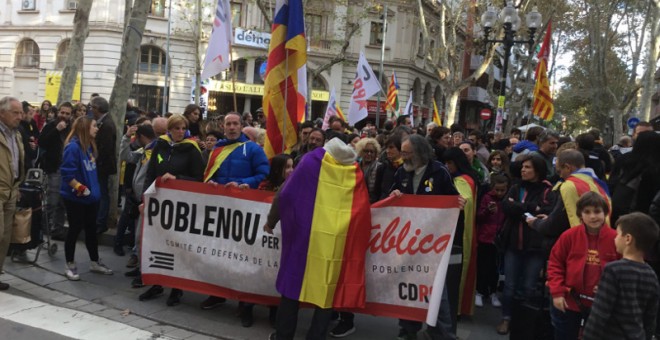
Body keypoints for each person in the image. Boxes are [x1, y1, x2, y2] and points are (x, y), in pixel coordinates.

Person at [264, 138, 371, 340]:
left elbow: (285, 195)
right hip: (335, 241)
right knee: (327, 290)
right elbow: (361, 207)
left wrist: (272, 221)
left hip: (304, 235)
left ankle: (283, 336)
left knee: (292, 286)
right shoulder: (353, 169)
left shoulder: (310, 161)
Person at [391, 135, 463, 340]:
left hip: (433, 241)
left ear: (420, 153)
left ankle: (442, 333)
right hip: (407, 240)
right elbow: (389, 196)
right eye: (402, 152)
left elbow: (453, 198)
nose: (402, 157)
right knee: (408, 285)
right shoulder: (400, 172)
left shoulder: (439, 172)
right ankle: (408, 328)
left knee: (436, 288)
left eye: (406, 153)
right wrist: (394, 194)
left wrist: (458, 203)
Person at [201, 111, 269, 327]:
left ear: (241, 126)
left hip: (244, 210)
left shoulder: (253, 149)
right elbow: (208, 175)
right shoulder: (217, 149)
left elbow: (264, 174)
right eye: (228, 123)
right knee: (218, 253)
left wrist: (244, 183)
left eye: (235, 123)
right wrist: (209, 183)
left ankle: (246, 304)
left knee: (244, 257)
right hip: (220, 210)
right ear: (223, 126)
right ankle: (218, 294)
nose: (231, 127)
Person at [139, 114, 204, 306]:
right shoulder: (160, 145)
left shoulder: (192, 149)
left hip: (181, 207)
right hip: (159, 204)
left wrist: (178, 178)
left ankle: (177, 288)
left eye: (183, 128)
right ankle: (157, 283)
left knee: (177, 247)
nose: (180, 132)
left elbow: (199, 179)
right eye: (176, 128)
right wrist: (145, 199)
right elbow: (151, 174)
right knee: (158, 244)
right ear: (169, 129)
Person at [546, 192, 619, 340]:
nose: (593, 216)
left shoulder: (616, 239)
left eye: (597, 211)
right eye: (587, 212)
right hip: (569, 300)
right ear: (580, 214)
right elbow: (555, 264)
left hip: (601, 305)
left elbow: (623, 271)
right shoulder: (569, 236)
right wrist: (557, 292)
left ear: (605, 212)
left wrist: (610, 287)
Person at [496, 154, 555, 335]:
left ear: (537, 170)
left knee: (529, 286)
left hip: (535, 247)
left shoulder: (547, 190)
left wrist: (520, 207)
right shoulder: (515, 187)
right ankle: (507, 319)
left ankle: (524, 322)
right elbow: (506, 207)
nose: (523, 170)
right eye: (523, 167)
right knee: (510, 285)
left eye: (528, 167)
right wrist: (530, 208)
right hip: (513, 244)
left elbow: (546, 211)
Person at [583, 212, 660, 340]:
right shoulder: (651, 275)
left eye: (618, 234)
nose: (615, 238)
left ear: (628, 239)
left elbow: (599, 314)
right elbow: (650, 318)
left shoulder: (613, 270)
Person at [60, 116, 113, 280]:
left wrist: (93, 193)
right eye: (94, 126)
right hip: (76, 199)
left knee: (91, 230)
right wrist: (81, 189)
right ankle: (69, 264)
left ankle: (94, 261)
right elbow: (67, 174)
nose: (97, 129)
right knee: (74, 230)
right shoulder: (73, 148)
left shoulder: (89, 146)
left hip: (91, 199)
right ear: (85, 128)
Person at [527, 149, 611, 248]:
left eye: (559, 171)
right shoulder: (599, 183)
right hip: (601, 240)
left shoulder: (569, 186)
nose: (560, 175)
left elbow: (556, 224)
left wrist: (536, 223)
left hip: (577, 244)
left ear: (567, 167)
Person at [443, 147, 479, 318]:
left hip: (458, 232)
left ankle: (453, 308)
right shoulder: (467, 178)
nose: (447, 165)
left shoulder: (461, 180)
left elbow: (464, 201)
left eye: (449, 162)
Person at [0, 96, 25, 290]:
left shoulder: (16, 134)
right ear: (2, 113)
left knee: (5, 237)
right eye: (15, 112)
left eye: (21, 112)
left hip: (11, 191)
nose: (20, 116)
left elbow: (19, 162)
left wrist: (17, 187)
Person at [39, 102, 74, 239]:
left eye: (67, 113)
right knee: (51, 201)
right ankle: (42, 229)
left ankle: (58, 230)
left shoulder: (72, 128)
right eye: (62, 112)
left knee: (62, 202)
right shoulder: (51, 126)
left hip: (68, 170)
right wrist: (56, 130)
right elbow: (42, 142)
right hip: (54, 168)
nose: (64, 115)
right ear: (58, 112)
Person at [474, 175, 508, 308]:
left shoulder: (507, 201)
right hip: (485, 238)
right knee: (482, 266)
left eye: (502, 190)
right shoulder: (487, 198)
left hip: (499, 239)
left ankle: (493, 292)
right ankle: (480, 292)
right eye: (497, 190)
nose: (499, 193)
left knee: (495, 268)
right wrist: (487, 211)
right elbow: (479, 216)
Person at [89, 96, 117, 235]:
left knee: (103, 194)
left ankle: (101, 222)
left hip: (102, 166)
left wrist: (96, 161)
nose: (90, 110)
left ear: (97, 108)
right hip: (101, 164)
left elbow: (105, 148)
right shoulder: (103, 122)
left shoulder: (106, 125)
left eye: (92, 107)